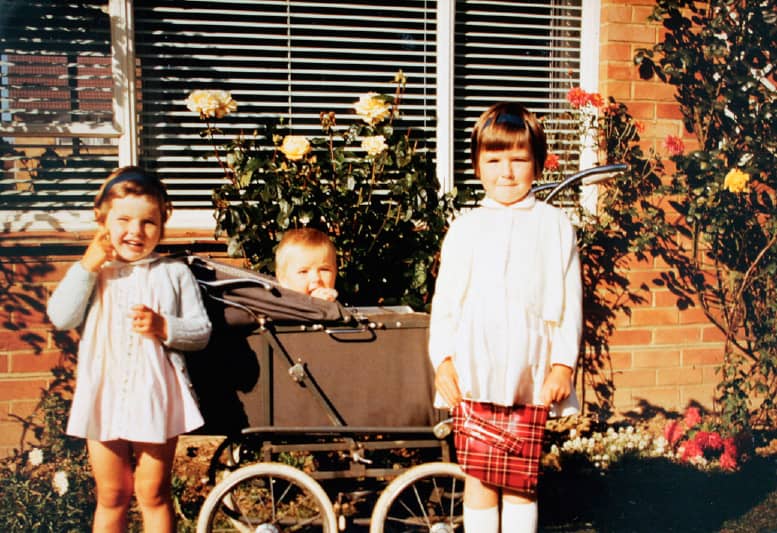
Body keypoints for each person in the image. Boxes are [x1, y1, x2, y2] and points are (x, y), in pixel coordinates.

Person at [428, 102, 583, 533]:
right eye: (494, 160)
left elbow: (571, 304)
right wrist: (442, 361)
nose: (507, 173)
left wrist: (562, 364)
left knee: (519, 481)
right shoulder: (466, 227)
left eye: (519, 160)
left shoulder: (556, 226)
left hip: (530, 373)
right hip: (475, 370)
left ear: (537, 162)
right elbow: (446, 303)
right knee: (479, 476)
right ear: (478, 165)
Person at [47, 166, 212, 533]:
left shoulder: (173, 273)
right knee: (111, 494)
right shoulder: (96, 272)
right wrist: (88, 265)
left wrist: (164, 326)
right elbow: (61, 316)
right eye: (123, 219)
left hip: (156, 397)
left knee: (152, 492)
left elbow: (201, 332)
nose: (135, 232)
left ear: (162, 224)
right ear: (101, 218)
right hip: (103, 396)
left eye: (149, 222)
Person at [274, 227, 339, 301]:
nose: (316, 278)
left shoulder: (338, 309)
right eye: (303, 271)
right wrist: (317, 306)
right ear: (283, 279)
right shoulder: (280, 310)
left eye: (324, 269)